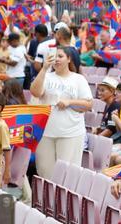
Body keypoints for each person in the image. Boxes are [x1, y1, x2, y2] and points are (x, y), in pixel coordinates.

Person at [30, 46, 93, 178]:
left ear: (69, 59)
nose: (57, 59)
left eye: (61, 56)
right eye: (55, 56)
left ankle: (61, 199)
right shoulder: (47, 76)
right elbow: (35, 92)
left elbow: (88, 104)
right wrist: (44, 68)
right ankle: (46, 199)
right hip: (45, 132)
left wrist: (69, 102)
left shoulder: (78, 79)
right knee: (45, 172)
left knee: (66, 174)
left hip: (70, 133)